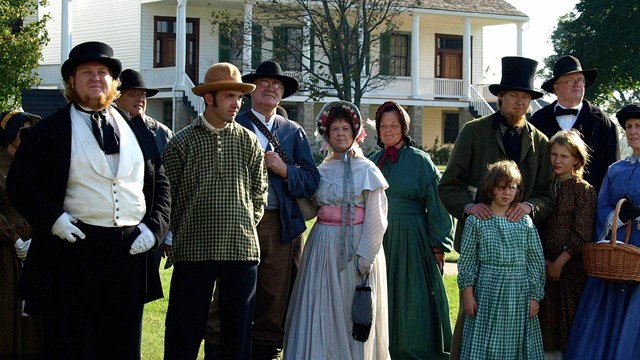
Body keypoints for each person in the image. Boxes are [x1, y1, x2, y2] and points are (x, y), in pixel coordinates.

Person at [6, 41, 171, 359]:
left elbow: (161, 184)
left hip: (128, 252)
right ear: (71, 81)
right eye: (86, 72)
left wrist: (154, 228)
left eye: (103, 72)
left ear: (114, 83)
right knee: (72, 344)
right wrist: (53, 219)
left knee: (122, 346)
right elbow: (21, 184)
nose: (96, 78)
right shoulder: (48, 130)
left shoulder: (140, 131)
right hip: (73, 252)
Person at [438, 56, 555, 360]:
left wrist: (530, 205)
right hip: (482, 241)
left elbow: (547, 194)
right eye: (514, 95)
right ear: (501, 96)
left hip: (518, 250)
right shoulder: (474, 132)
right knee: (472, 316)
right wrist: (468, 208)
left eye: (526, 97)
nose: (520, 102)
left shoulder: (540, 142)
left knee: (518, 326)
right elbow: (449, 184)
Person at [204, 60, 320, 360]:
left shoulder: (293, 132)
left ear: (282, 94)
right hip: (238, 223)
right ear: (251, 90)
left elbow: (310, 181)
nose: (271, 87)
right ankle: (220, 351)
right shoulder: (232, 123)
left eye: (277, 85)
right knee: (226, 297)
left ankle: (265, 353)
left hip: (280, 225)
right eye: (265, 83)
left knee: (273, 298)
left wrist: (284, 170)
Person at [163, 62, 268, 360]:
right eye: (229, 97)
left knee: (238, 336)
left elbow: (259, 194)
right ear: (209, 98)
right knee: (184, 333)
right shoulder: (181, 142)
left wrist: (243, 222)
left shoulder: (249, 141)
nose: (237, 104)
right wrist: (180, 231)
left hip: (241, 250)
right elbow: (166, 195)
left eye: (239, 98)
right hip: (194, 249)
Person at [284, 101, 390, 359]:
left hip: (356, 248)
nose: (340, 133)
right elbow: (311, 212)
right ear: (327, 134)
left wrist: (366, 257)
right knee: (321, 304)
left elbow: (377, 217)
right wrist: (294, 181)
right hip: (322, 246)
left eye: (345, 128)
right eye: (335, 129)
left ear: (355, 134)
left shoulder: (367, 170)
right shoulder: (320, 171)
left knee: (349, 310)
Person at [369, 101, 454, 359]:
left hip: (413, 239)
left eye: (394, 125)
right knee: (381, 296)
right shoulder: (372, 162)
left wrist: (438, 245)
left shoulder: (421, 161)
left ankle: (415, 350)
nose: (388, 130)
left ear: (404, 127)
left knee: (412, 299)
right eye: (383, 126)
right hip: (379, 239)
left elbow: (438, 204)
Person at [564, 103, 640, 360]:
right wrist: (620, 217)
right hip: (616, 253)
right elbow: (603, 208)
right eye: (629, 126)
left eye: (639, 126)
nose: (633, 131)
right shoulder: (615, 169)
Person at [458, 160, 545, 359]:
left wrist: (534, 296)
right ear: (491, 189)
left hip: (518, 292)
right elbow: (468, 262)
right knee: (486, 343)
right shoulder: (477, 221)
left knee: (514, 343)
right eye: (502, 187)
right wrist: (468, 295)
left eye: (512, 187)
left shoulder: (523, 221)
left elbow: (535, 260)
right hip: (487, 291)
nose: (507, 193)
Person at [538, 130, 596, 359]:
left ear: (576, 160)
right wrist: (542, 261)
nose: (557, 160)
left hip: (568, 270)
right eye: (553, 154)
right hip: (541, 265)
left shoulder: (583, 190)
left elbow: (582, 234)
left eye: (564, 156)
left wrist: (558, 264)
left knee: (566, 320)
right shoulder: (544, 187)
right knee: (543, 321)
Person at [529, 55, 619, 193]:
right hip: (544, 205)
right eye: (570, 80)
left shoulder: (602, 123)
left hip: (590, 204)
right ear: (556, 87)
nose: (577, 84)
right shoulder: (537, 121)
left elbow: (612, 173)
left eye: (581, 80)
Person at [115, 68, 174, 264]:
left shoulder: (161, 133)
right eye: (133, 94)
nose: (140, 98)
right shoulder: (107, 128)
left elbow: (170, 184)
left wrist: (166, 231)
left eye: (143, 95)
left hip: (152, 223)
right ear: (116, 97)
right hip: (118, 223)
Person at [0, 110, 43, 359]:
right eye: (22, 129)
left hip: (34, 247)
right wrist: (13, 238)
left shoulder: (34, 166)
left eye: (30, 128)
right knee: (8, 308)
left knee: (35, 314)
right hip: (6, 252)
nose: (27, 133)